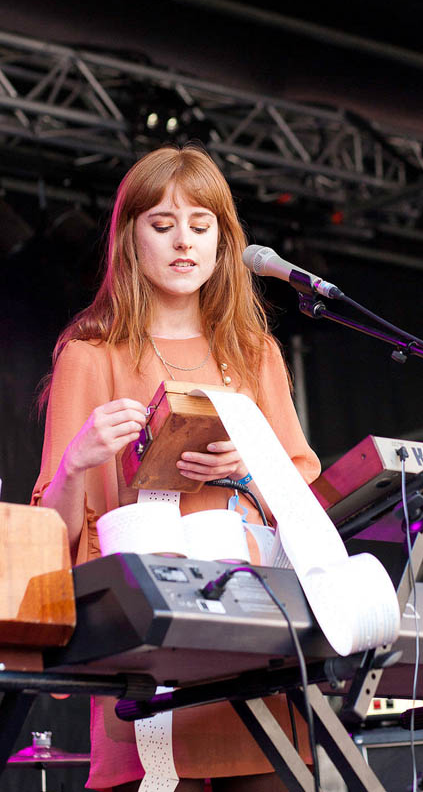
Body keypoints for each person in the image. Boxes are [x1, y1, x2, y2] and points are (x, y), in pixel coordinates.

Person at [32, 144, 321, 792]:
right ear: (130, 241)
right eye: (162, 225)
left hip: (256, 635)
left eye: (201, 225)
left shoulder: (254, 352)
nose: (183, 242)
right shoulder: (91, 353)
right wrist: (78, 460)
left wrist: (254, 465)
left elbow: (307, 494)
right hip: (149, 637)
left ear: (224, 240)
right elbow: (46, 533)